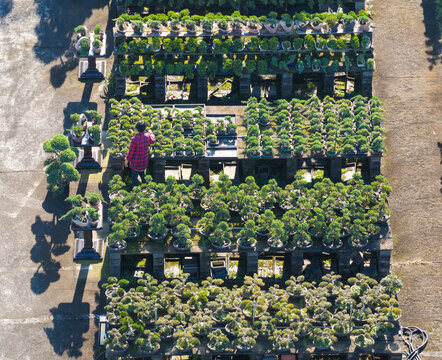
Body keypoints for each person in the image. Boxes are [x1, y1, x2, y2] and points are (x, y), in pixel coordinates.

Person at [125, 121, 156, 188]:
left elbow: (131, 152)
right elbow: (153, 140)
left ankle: (135, 190)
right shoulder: (147, 136)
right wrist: (151, 133)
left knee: (134, 178)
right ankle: (145, 189)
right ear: (145, 129)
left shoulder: (134, 139)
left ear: (136, 129)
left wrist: (126, 160)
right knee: (143, 175)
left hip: (135, 163)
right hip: (144, 162)